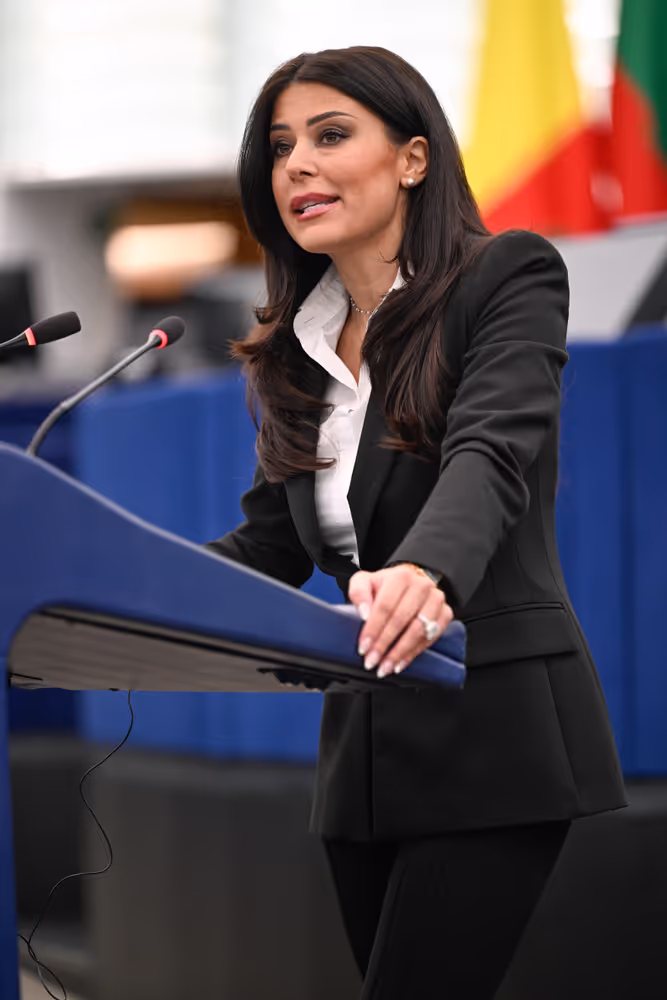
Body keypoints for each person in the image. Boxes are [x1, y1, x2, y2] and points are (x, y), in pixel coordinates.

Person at [205, 45, 626, 1000]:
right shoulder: (295, 346)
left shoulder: (505, 275)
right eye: (280, 147)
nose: (297, 166)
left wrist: (426, 569)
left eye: (329, 136)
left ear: (413, 158)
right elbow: (267, 547)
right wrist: (100, 596)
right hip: (362, 759)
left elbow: (491, 454)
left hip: (495, 731)